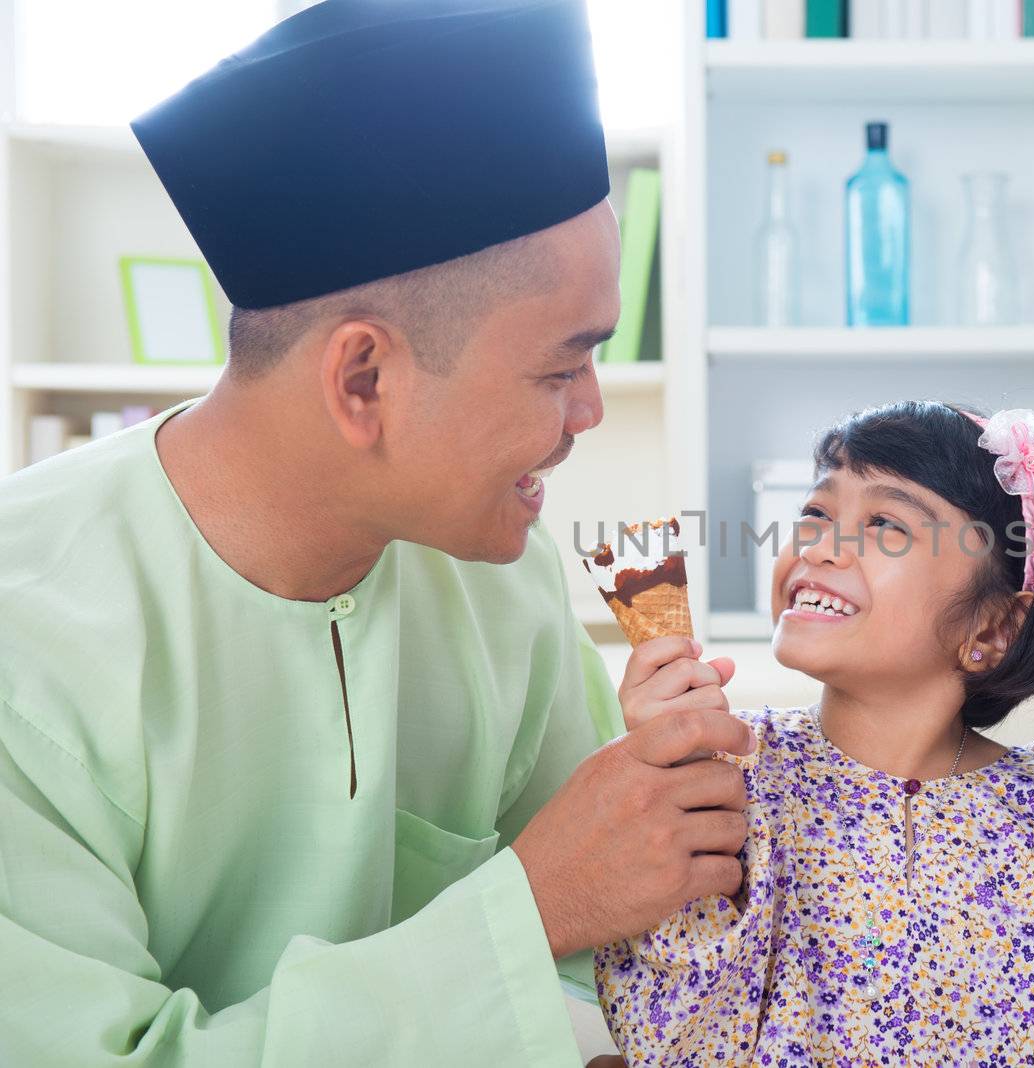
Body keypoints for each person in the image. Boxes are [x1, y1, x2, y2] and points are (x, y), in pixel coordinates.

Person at [0, 3, 749, 1064]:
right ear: (363, 378)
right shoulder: (24, 648)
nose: (587, 412)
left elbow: (615, 959)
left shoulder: (501, 578)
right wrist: (524, 911)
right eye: (558, 367)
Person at [593, 401, 1034, 1066]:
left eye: (883, 525)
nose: (818, 547)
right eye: (816, 514)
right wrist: (670, 780)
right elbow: (668, 1039)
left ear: (993, 630)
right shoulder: (728, 781)